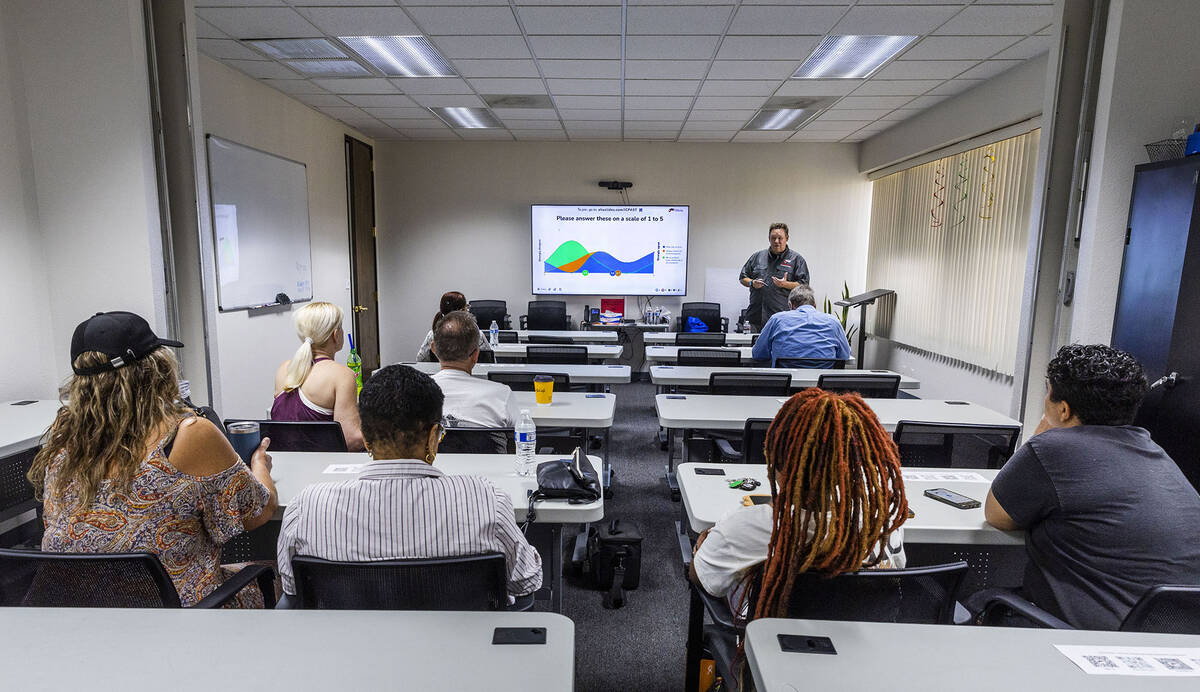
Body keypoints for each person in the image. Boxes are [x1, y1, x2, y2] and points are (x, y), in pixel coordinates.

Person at [29, 311, 278, 608]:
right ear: (156, 369)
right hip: (178, 623)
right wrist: (260, 464)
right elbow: (257, 512)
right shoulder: (186, 435)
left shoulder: (62, 444)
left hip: (85, 621)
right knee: (271, 572)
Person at [276, 365, 542, 602]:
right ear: (434, 437)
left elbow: (291, 590)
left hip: (348, 652)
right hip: (460, 651)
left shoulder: (307, 507)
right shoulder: (486, 501)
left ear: (366, 440)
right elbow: (525, 581)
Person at [984, 344, 1200, 630]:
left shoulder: (1051, 449)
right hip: (1175, 641)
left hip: (1093, 644)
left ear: (1063, 408)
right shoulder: (1156, 452)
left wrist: (1046, 428)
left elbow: (997, 514)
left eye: (1047, 390)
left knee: (981, 599)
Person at [690, 389, 907, 608]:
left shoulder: (748, 526)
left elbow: (702, 578)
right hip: (861, 636)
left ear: (776, 460)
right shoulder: (882, 520)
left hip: (773, 639)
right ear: (856, 462)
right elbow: (896, 571)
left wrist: (702, 548)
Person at [272, 301, 364, 451]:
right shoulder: (341, 375)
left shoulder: (284, 369)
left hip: (285, 463)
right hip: (324, 466)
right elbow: (351, 441)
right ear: (335, 335)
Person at [431, 310, 520, 429]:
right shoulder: (502, 395)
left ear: (434, 349)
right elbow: (525, 438)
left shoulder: (415, 394)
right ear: (476, 355)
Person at [751, 284, 850, 367]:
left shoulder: (777, 319)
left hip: (786, 384)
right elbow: (844, 356)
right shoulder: (833, 321)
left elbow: (758, 354)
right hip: (821, 387)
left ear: (790, 305)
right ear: (814, 305)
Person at [739, 222, 810, 332]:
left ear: (787, 238)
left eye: (780, 238)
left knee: (779, 348)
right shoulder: (757, 257)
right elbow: (742, 278)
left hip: (782, 320)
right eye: (773, 238)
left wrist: (785, 284)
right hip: (755, 318)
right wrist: (752, 283)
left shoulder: (796, 259)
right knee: (753, 349)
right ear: (769, 238)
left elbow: (804, 286)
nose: (776, 241)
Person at [416, 291, 493, 362]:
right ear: (462, 311)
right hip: (472, 374)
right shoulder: (476, 334)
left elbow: (420, 360)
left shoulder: (433, 335)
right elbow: (489, 360)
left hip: (439, 374)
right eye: (466, 307)